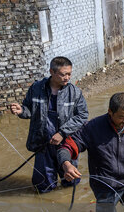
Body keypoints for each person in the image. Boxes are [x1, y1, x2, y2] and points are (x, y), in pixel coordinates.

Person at [9, 56, 88, 193]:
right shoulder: (36, 88)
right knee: (43, 186)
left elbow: (82, 115)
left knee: (71, 181)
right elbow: (28, 109)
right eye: (63, 74)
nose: (67, 78)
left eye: (69, 74)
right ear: (52, 72)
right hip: (43, 143)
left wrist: (62, 133)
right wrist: (21, 111)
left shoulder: (74, 92)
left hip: (66, 143)